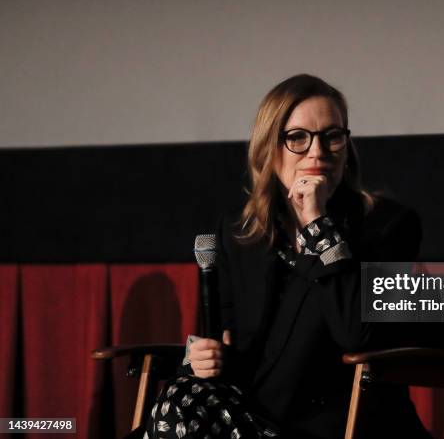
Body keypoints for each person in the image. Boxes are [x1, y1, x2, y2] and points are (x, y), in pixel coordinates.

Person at [145, 74, 426, 439]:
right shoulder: (239, 232)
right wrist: (201, 358)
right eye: (297, 138)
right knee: (180, 399)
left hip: (336, 426)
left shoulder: (387, 227)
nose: (318, 152)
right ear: (269, 148)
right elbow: (228, 343)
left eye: (332, 136)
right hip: (246, 416)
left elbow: (360, 336)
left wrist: (318, 225)